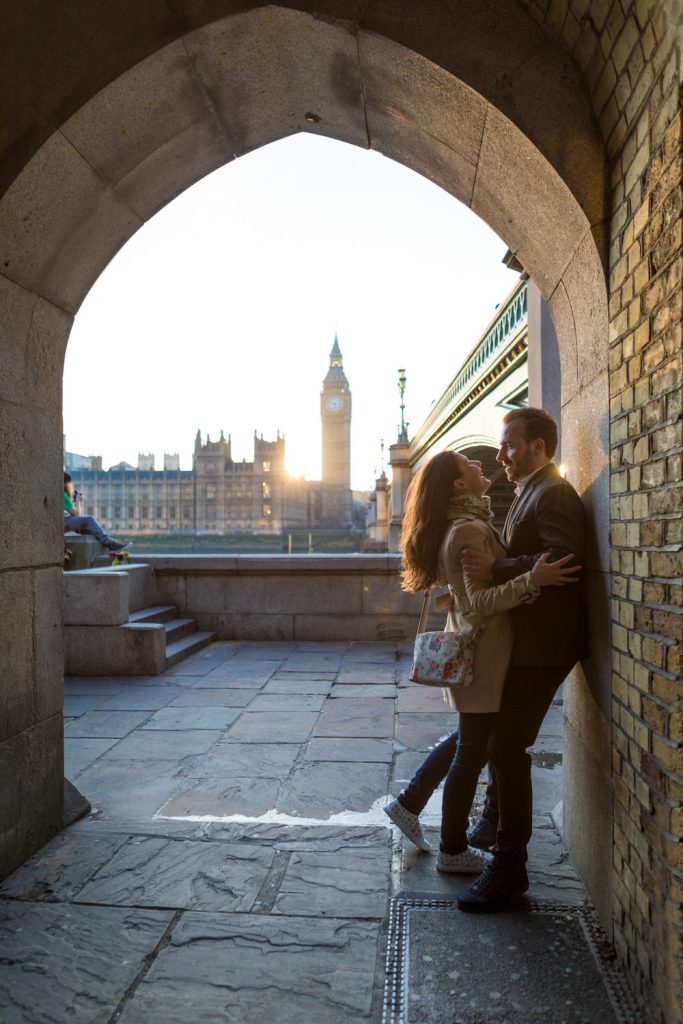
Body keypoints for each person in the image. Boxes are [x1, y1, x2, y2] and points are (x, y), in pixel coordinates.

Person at [384, 447, 580, 875]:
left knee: (468, 740)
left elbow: (465, 591)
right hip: (485, 651)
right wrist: (534, 579)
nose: (482, 462)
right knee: (471, 752)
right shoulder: (468, 530)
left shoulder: (464, 525)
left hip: (481, 648)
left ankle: (410, 803)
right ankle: (452, 846)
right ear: (458, 485)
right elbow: (482, 602)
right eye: (469, 466)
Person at [455, 407, 587, 911]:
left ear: (538, 445)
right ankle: (493, 827)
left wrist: (498, 566)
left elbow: (565, 560)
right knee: (496, 741)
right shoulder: (532, 489)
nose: (500, 454)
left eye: (509, 444)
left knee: (507, 746)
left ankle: (509, 869)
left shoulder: (551, 491)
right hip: (528, 641)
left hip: (545, 645)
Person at [63, 472, 130, 553]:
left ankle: (108, 546)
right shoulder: (63, 495)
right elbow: (76, 514)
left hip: (62, 522)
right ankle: (110, 543)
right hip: (64, 522)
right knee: (89, 519)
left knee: (90, 530)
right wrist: (77, 501)